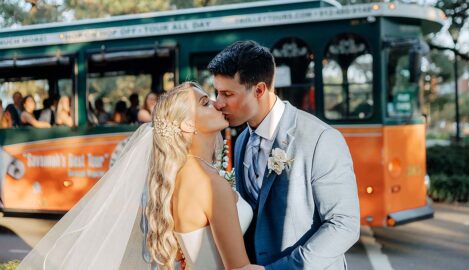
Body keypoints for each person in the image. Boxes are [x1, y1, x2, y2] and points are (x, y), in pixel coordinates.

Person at [17, 82, 262, 270]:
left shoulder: (183, 174)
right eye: (205, 103)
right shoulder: (209, 183)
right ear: (188, 125)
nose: (219, 104)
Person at [208, 40, 360, 270]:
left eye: (227, 94)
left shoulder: (321, 139)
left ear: (259, 90)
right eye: (217, 93)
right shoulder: (241, 141)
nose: (218, 103)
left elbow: (344, 225)